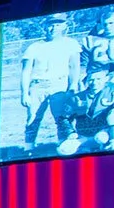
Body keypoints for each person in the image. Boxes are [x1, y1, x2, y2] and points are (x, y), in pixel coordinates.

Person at [20, 14, 85, 148]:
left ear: (64, 26)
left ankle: (63, 145)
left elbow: (74, 67)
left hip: (60, 84)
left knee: (62, 117)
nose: (54, 28)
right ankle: (29, 148)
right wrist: (24, 93)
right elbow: (26, 71)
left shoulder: (70, 44)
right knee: (33, 117)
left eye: (58, 24)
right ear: (45, 26)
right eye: (51, 24)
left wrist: (72, 86)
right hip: (38, 85)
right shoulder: (34, 47)